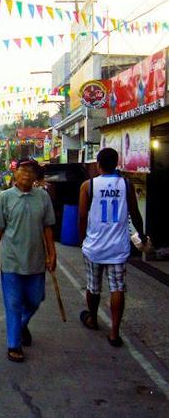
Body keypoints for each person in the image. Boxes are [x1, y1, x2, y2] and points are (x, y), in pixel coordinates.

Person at [0, 158, 57, 363]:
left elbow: (47, 227)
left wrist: (52, 254)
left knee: (35, 300)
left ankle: (21, 324)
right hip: (11, 261)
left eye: (31, 171)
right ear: (15, 173)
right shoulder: (5, 198)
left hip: (36, 261)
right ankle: (13, 344)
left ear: (36, 176)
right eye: (23, 170)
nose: (27, 174)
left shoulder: (43, 197)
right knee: (14, 304)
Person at [78, 147, 147, 347]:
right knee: (117, 288)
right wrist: (141, 235)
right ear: (117, 164)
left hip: (94, 247)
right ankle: (115, 334)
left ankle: (92, 318)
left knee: (93, 286)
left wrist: (83, 239)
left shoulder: (88, 185)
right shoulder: (126, 185)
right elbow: (135, 213)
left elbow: (82, 216)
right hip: (118, 247)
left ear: (98, 165)